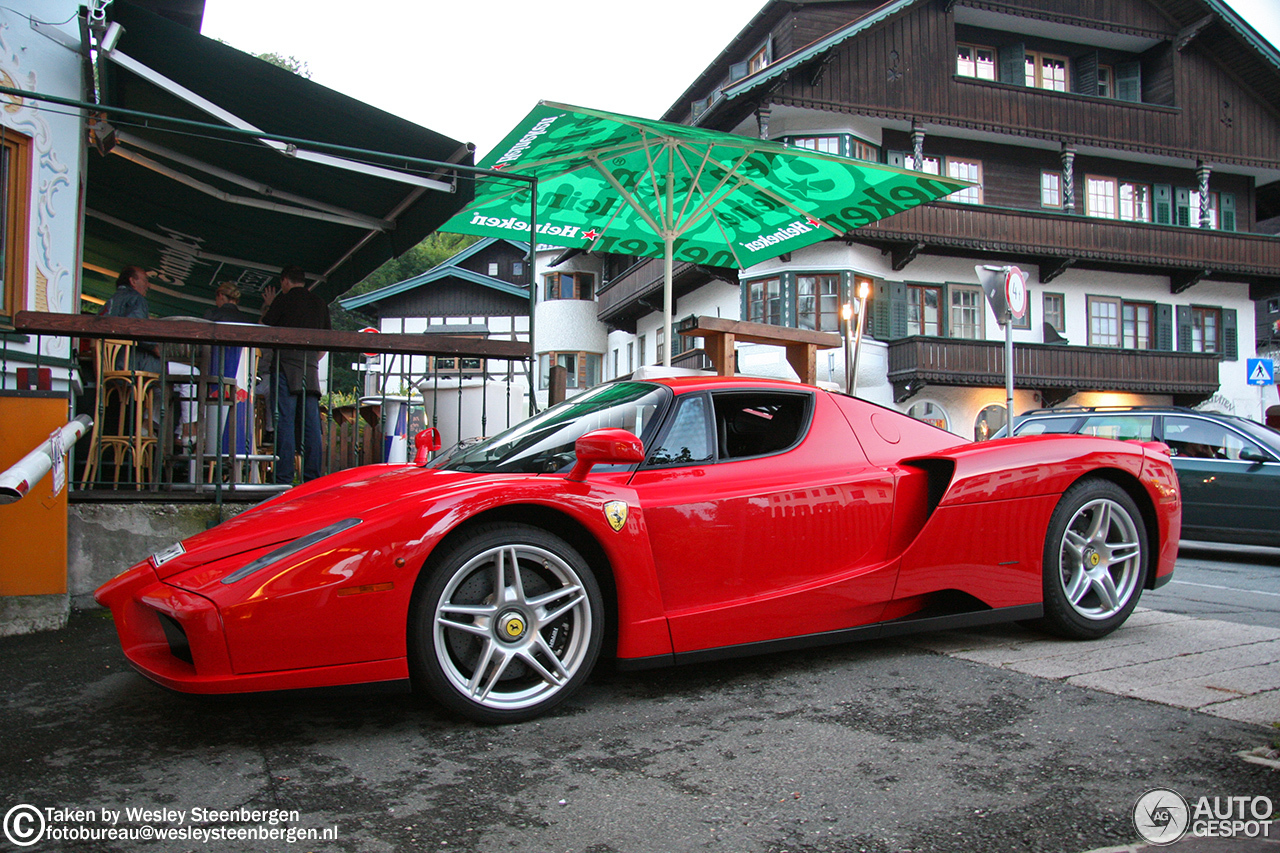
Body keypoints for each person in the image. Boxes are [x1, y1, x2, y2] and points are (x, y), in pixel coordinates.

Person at [260, 266, 330, 484]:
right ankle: (312, 479)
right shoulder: (320, 304)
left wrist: (269, 305)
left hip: (284, 366)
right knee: (311, 425)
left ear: (284, 281)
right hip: (309, 368)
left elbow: (264, 327)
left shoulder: (284, 299)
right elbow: (326, 342)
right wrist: (312, 360)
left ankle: (283, 478)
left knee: (285, 423)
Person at [99, 266, 162, 373]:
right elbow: (138, 330)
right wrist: (155, 348)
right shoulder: (136, 298)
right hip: (129, 366)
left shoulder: (111, 301)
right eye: (145, 280)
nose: (148, 285)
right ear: (132, 281)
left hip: (107, 367)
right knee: (188, 371)